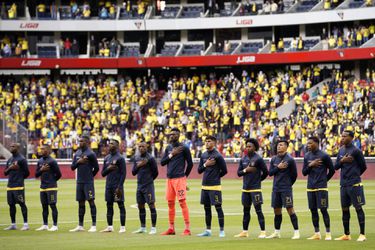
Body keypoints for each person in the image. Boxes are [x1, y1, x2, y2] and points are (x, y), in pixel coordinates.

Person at [334, 130, 367, 241]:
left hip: (354, 184)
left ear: (351, 137)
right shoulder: (341, 150)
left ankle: (362, 234)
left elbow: (363, 166)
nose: (342, 138)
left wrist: (355, 176)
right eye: (342, 136)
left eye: (345, 136)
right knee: (345, 209)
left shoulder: (356, 151)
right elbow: (336, 167)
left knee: (358, 208)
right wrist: (342, 160)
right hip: (343, 185)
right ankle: (346, 234)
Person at [160, 128, 193, 236]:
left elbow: (190, 164)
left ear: (178, 135)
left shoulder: (184, 148)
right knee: (170, 203)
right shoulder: (168, 148)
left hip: (179, 179)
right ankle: (171, 228)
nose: (171, 136)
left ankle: (187, 229)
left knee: (182, 202)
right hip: (169, 179)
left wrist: (184, 177)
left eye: (174, 134)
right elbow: (162, 163)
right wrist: (171, 154)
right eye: (170, 134)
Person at [302, 136, 335, 240]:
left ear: (316, 143)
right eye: (307, 143)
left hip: (321, 187)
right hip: (310, 187)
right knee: (313, 210)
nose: (308, 145)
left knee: (323, 210)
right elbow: (304, 172)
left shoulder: (324, 155)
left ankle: (328, 233)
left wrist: (324, 181)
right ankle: (317, 233)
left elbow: (332, 170)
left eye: (310, 143)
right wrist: (311, 165)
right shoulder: (307, 156)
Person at [235, 138, 268, 238]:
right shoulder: (243, 159)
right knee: (246, 210)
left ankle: (263, 232)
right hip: (245, 189)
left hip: (255, 190)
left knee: (258, 210)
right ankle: (245, 231)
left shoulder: (258, 159)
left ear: (255, 148)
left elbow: (266, 172)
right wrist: (246, 170)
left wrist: (258, 181)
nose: (248, 148)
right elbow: (239, 173)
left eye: (250, 146)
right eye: (247, 146)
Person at [267, 139, 299, 239]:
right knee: (277, 210)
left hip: (286, 189)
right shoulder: (274, 159)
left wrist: (288, 185)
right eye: (278, 145)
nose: (278, 147)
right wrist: (278, 168)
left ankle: (296, 232)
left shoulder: (290, 159)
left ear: (286, 147)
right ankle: (277, 232)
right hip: (276, 188)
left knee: (290, 209)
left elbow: (294, 175)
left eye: (281, 145)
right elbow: (270, 173)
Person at [197, 136, 227, 237]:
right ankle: (208, 230)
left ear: (214, 143)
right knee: (207, 209)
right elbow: (199, 170)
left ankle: (222, 230)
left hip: (214, 187)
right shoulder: (204, 155)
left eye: (209, 141)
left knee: (218, 208)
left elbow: (225, 170)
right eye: (206, 141)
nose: (207, 143)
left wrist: (216, 178)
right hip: (205, 186)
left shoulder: (218, 156)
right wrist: (206, 164)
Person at [70, 135, 99, 232]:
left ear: (86, 142)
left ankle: (94, 225)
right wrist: (78, 162)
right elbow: (72, 167)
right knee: (80, 203)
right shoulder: (77, 153)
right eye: (79, 141)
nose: (80, 143)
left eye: (82, 141)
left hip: (88, 182)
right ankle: (80, 225)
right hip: (79, 182)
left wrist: (90, 176)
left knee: (91, 202)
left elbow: (97, 168)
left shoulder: (91, 154)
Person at [100, 139, 127, 233]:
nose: (109, 145)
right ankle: (110, 227)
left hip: (117, 186)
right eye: (109, 143)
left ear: (116, 145)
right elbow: (103, 173)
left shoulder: (120, 158)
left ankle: (123, 227)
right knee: (109, 205)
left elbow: (123, 174)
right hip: (108, 186)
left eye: (112, 143)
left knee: (120, 204)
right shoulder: (106, 158)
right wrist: (109, 168)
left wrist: (119, 187)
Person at [132, 142, 158, 234]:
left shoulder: (150, 158)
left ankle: (153, 228)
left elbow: (156, 172)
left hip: (148, 185)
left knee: (151, 205)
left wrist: (149, 180)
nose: (141, 148)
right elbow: (133, 172)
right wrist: (139, 165)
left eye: (143, 146)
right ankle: (143, 227)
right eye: (139, 146)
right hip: (139, 186)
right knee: (140, 206)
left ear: (146, 147)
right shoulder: (136, 158)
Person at [35, 144, 62, 231]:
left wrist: (52, 181)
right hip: (42, 187)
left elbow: (59, 174)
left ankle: (55, 225)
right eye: (41, 149)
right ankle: (45, 224)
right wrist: (41, 170)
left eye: (43, 149)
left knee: (52, 205)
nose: (41, 150)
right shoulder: (40, 161)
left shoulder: (52, 161)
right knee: (44, 206)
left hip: (51, 187)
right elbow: (36, 175)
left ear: (47, 150)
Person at [4, 143, 30, 231]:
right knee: (11, 205)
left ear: (18, 148)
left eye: (13, 146)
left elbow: (27, 173)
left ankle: (26, 224)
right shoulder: (10, 159)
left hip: (18, 186)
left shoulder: (22, 159)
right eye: (10, 146)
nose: (11, 147)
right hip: (10, 186)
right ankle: (13, 224)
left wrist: (18, 171)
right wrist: (10, 168)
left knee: (22, 204)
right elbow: (5, 173)